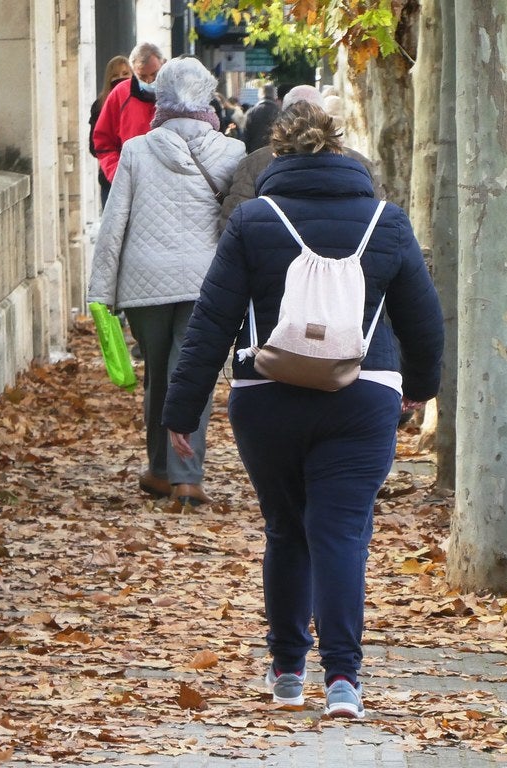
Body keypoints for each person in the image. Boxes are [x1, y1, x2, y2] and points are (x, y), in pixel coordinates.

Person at [161, 101, 444, 718]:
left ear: (277, 156)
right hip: (365, 395)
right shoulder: (386, 222)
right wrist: (419, 389)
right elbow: (424, 320)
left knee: (287, 530)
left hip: (268, 396)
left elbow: (211, 322)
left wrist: (182, 413)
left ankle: (288, 670)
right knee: (340, 532)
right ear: (343, 152)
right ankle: (343, 680)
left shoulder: (254, 222)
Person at [87, 56, 244, 507]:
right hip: (207, 285)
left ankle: (159, 470)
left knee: (159, 375)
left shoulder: (136, 149)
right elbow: (239, 224)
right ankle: (187, 477)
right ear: (209, 96)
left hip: (143, 283)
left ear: (162, 97)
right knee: (192, 376)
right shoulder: (231, 152)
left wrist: (102, 293)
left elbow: (113, 223)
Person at [219, 85, 384, 230]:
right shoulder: (359, 162)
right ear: (324, 116)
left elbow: (232, 225)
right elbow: (380, 221)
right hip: (349, 260)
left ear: (283, 115)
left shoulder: (253, 163)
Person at [92, 42, 165, 185]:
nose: (150, 81)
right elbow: (103, 140)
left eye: (154, 74)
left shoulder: (175, 91)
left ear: (163, 65)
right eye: (143, 76)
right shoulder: (120, 94)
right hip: (132, 185)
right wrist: (117, 175)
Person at [89, 55, 132, 209]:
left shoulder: (142, 101)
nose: (120, 78)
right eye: (115, 75)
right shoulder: (100, 105)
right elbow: (94, 146)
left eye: (125, 73)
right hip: (110, 178)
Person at [241, 83, 279, 153]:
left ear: (259, 95)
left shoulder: (251, 112)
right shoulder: (280, 111)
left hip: (255, 153)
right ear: (274, 95)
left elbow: (245, 136)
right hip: (275, 153)